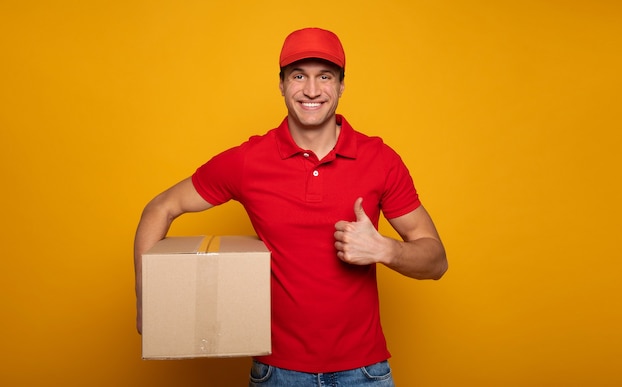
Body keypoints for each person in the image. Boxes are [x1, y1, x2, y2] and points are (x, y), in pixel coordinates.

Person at [134, 27, 447, 386]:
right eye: (299, 76)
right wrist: (148, 303)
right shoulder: (248, 162)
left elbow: (436, 260)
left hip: (364, 373)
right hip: (277, 374)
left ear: (342, 86)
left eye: (324, 77)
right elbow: (160, 208)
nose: (312, 91)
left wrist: (385, 249)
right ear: (281, 84)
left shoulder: (380, 160)